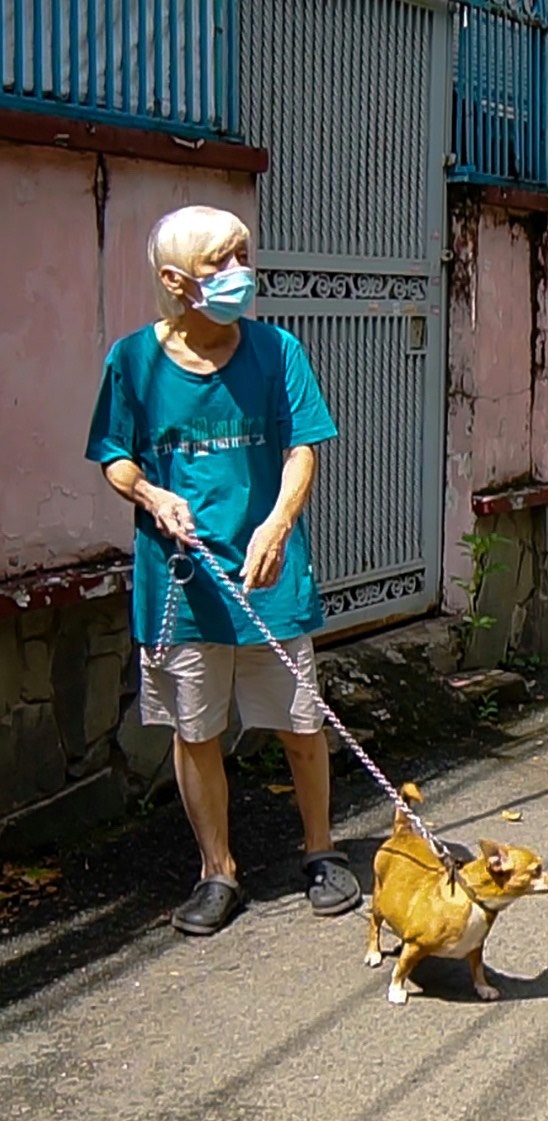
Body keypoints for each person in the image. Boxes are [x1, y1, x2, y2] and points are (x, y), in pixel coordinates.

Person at [85, 204, 359, 935]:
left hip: (270, 576)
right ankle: (218, 870)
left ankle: (322, 851)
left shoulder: (277, 351)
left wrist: (278, 520)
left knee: (302, 723)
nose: (241, 274)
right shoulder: (133, 361)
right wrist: (149, 491)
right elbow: (115, 454)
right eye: (222, 262)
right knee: (194, 729)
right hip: (182, 585)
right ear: (176, 280)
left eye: (244, 255)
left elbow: (305, 446)